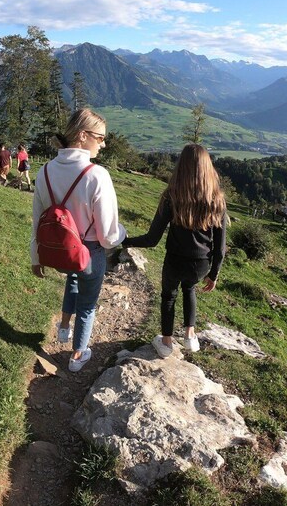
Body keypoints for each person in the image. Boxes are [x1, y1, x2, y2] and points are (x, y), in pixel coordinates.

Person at [30, 109, 126, 372]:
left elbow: (37, 221)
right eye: (100, 138)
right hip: (88, 253)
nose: (103, 144)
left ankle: (63, 327)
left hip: (57, 253)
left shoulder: (45, 171)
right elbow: (108, 237)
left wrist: (36, 257)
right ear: (83, 136)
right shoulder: (97, 175)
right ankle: (78, 355)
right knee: (87, 305)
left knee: (72, 279)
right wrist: (123, 233)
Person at [122, 143, 226, 358]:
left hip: (175, 260)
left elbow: (152, 239)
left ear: (181, 166)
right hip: (201, 264)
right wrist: (214, 274)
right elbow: (220, 246)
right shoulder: (217, 199)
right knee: (189, 288)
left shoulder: (172, 196)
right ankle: (190, 335)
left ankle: (166, 342)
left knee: (169, 296)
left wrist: (125, 241)